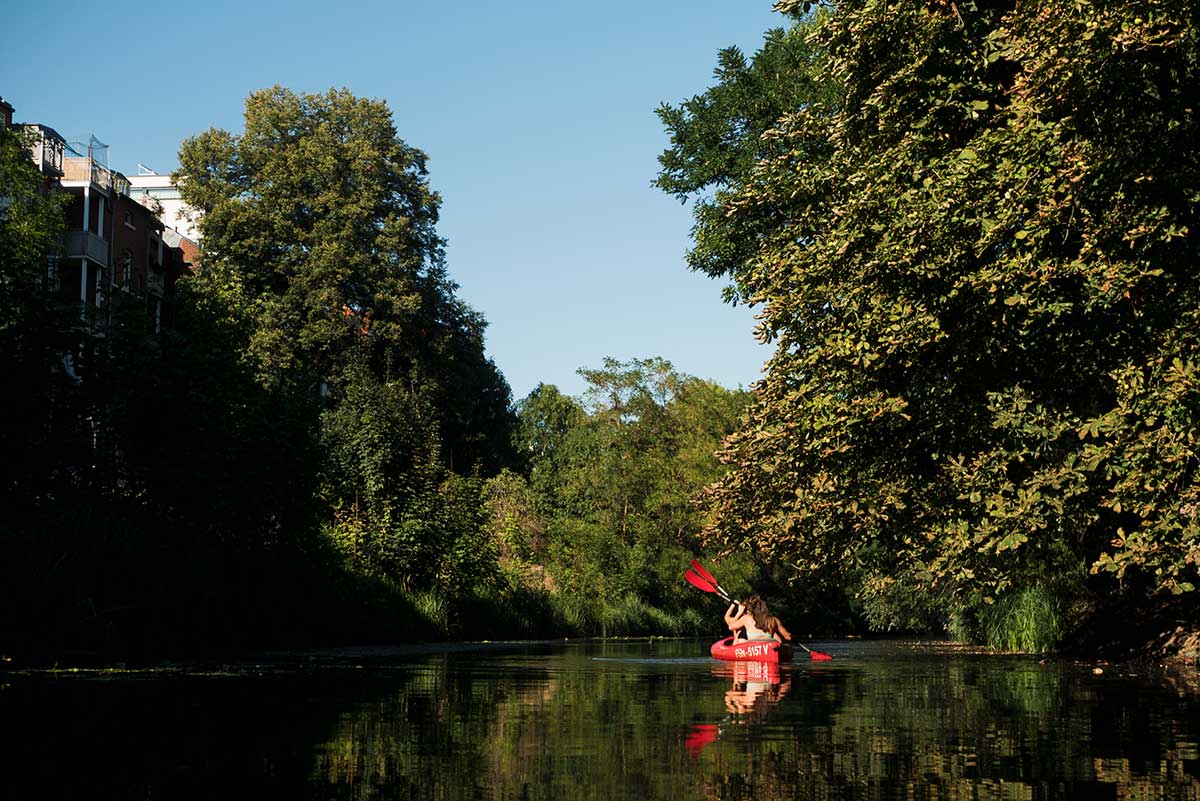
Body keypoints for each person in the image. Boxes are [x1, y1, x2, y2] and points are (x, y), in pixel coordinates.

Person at [724, 594, 790, 643]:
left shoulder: (746, 618)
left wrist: (739, 612)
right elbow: (787, 637)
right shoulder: (773, 619)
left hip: (752, 644)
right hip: (769, 644)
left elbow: (730, 627)